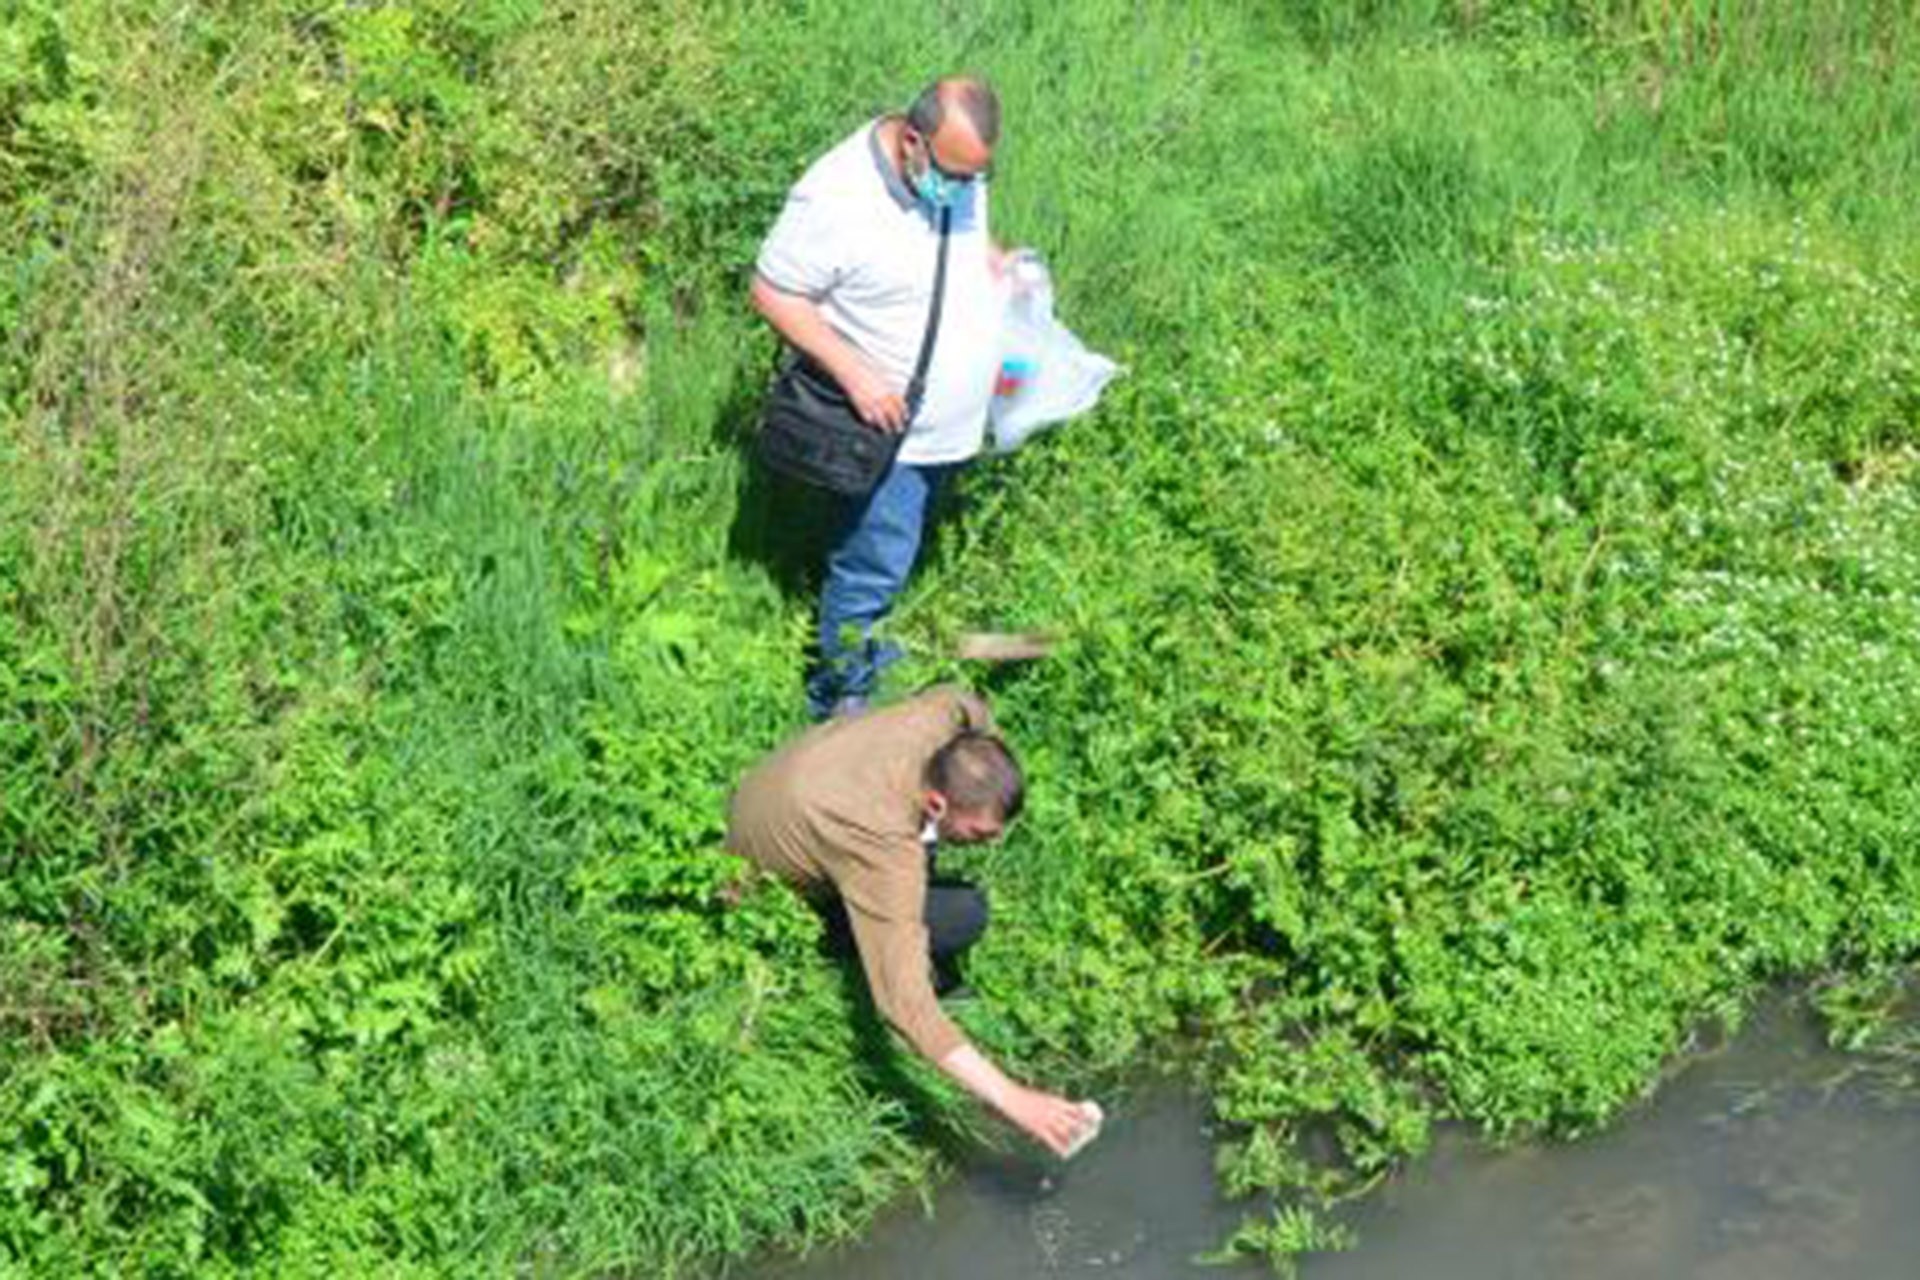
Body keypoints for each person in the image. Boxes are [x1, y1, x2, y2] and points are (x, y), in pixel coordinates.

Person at [725, 686, 1097, 1157]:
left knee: (936, 880)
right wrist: (1015, 1100)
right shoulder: (884, 849)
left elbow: (966, 702)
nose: (990, 843)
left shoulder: (934, 722)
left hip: (771, 790)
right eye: (980, 833)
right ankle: (841, 943)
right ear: (938, 804)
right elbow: (904, 1007)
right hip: (760, 889)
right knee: (964, 915)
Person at [751, 77, 1008, 719]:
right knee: (872, 567)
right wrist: (856, 374)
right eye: (955, 174)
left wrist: (995, 261)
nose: (966, 189)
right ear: (913, 143)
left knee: (890, 549)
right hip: (896, 433)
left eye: (979, 176)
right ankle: (843, 699)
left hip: (951, 427)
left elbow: (955, 243)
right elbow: (774, 290)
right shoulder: (837, 195)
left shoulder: (955, 173)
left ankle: (866, 652)